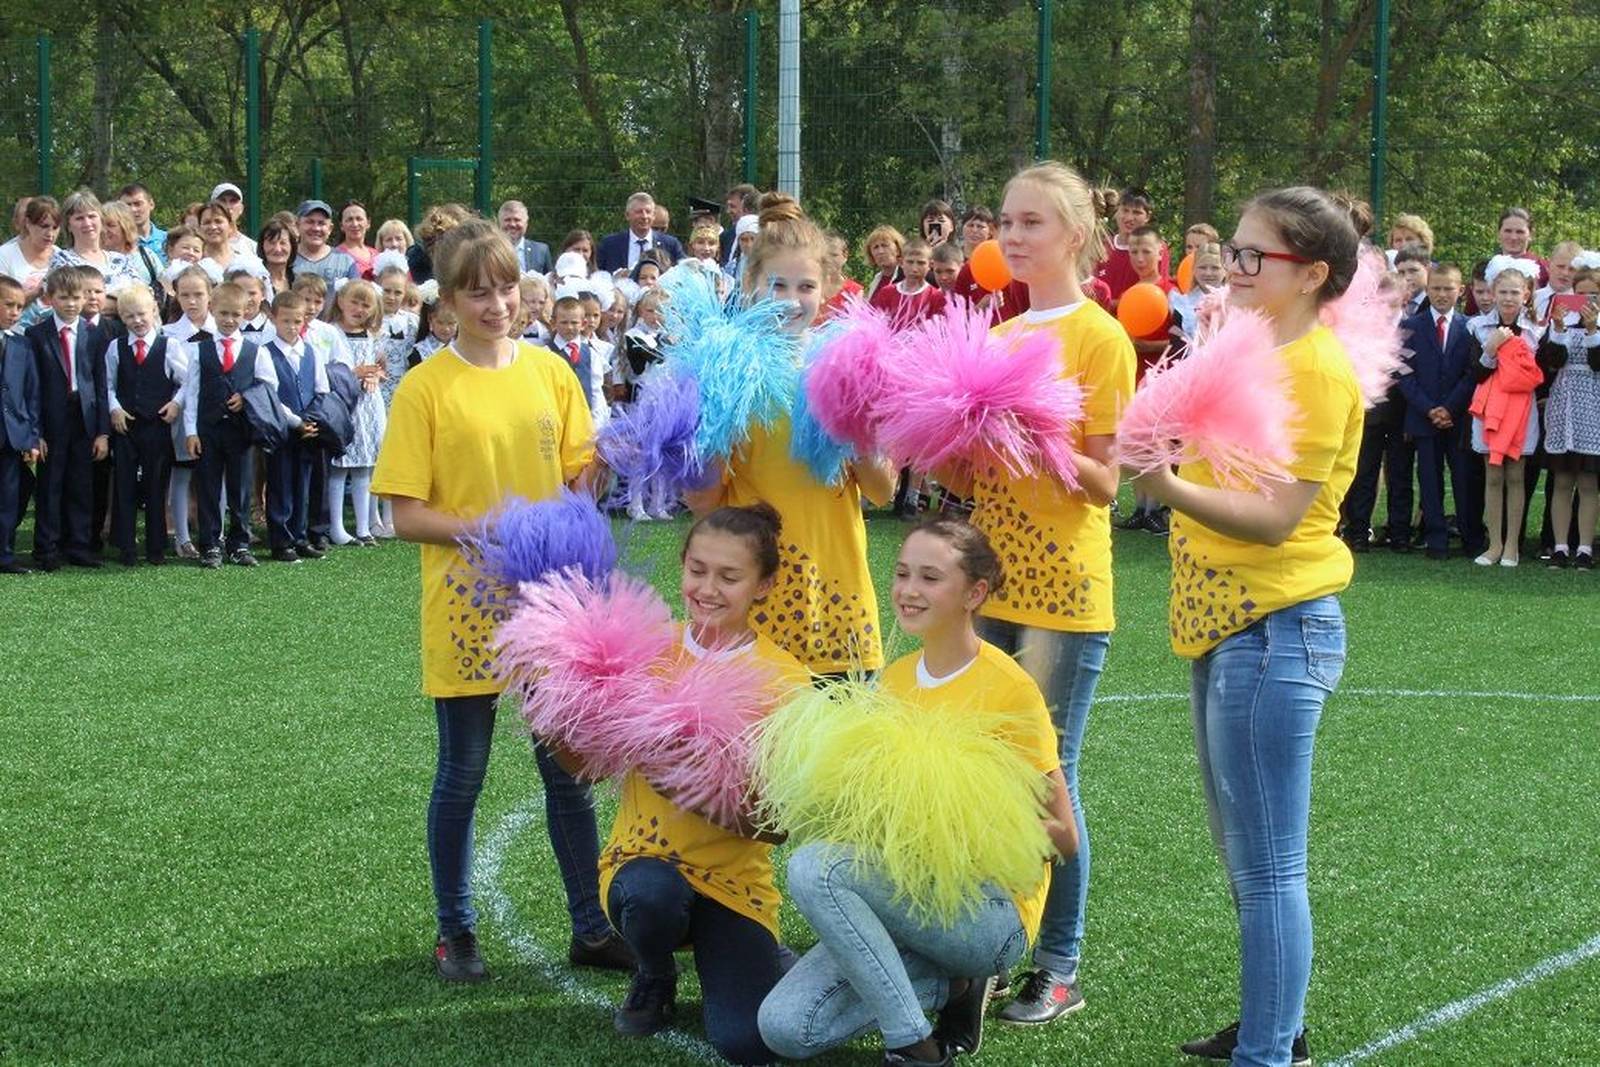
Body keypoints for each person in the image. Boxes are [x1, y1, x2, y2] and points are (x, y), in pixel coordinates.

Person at [1129, 186, 1364, 1067]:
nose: (1232, 266)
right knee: (1247, 859)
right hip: (1231, 624)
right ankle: (1275, 1027)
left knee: (1268, 868)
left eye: (1254, 255)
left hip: (1274, 629)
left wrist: (1163, 485)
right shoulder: (1257, 349)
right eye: (1232, 249)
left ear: (1312, 275)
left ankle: (1270, 1050)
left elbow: (1272, 519)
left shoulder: (1312, 367)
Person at [371, 217, 627, 984]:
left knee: (567, 772)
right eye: (477, 291)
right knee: (464, 771)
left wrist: (598, 476)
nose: (497, 303)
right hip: (466, 603)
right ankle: (456, 930)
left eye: (507, 286)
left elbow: (581, 474)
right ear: (447, 299)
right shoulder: (424, 385)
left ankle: (590, 925)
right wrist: (496, 529)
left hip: (553, 600)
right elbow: (405, 512)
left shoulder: (552, 371)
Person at [758, 519, 1078, 1067]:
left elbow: (1064, 840)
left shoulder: (1010, 690)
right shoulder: (892, 681)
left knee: (816, 869)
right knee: (784, 1028)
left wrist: (961, 816)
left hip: (986, 914)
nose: (908, 590)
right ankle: (953, 989)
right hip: (902, 896)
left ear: (973, 594)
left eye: (930, 578)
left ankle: (913, 1046)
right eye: (903, 573)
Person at [953, 161, 1131, 1026]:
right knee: (985, 772)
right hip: (986, 578)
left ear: (1074, 233)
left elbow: (1107, 483)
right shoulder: (995, 331)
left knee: (1047, 779)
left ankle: (1057, 963)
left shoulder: (1101, 338)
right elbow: (967, 472)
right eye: (1004, 223)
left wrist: (1033, 429)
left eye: (1029, 223)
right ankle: (990, 943)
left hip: (1063, 590)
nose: (1011, 237)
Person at [591, 504, 809, 1063]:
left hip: (735, 884)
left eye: (729, 577)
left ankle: (758, 954)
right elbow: (583, 766)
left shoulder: (786, 681)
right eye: (696, 569)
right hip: (644, 865)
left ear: (765, 585)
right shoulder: (643, 647)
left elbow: (779, 827)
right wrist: (556, 702)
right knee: (650, 898)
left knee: (748, 1044)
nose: (706, 589)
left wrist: (693, 785)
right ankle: (654, 971)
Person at [685, 195, 895, 679]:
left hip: (836, 594)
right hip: (752, 598)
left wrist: (851, 428)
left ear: (826, 291)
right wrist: (707, 427)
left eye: (805, 286)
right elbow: (703, 501)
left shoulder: (846, 370)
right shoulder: (727, 373)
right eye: (777, 285)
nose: (791, 300)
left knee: (839, 753)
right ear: (752, 286)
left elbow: (883, 493)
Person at [26, 265, 110, 570]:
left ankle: (79, 545)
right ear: (50, 299)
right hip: (52, 419)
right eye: (64, 297)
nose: (71, 303)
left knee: (81, 484)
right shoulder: (36, 334)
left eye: (77, 297)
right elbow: (32, 387)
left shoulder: (95, 333)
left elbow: (102, 384)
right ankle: (46, 549)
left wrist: (102, 431)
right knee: (50, 485)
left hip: (84, 418)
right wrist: (36, 432)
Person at [1399, 264, 1484, 560]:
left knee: (1464, 478)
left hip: (1458, 418)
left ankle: (1471, 536)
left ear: (1461, 291)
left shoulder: (1469, 327)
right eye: (1436, 288)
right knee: (1429, 478)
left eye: (1449, 288)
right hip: (1423, 417)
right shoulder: (1411, 326)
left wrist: (1450, 407)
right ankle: (1436, 539)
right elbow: (1404, 374)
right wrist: (1429, 408)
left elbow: (1472, 373)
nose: (1442, 294)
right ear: (1428, 290)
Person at [182, 280, 269, 569]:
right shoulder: (199, 350)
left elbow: (269, 386)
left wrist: (247, 397)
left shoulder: (256, 352)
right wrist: (191, 431)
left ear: (245, 313)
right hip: (208, 430)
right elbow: (191, 393)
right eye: (223, 314)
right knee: (208, 488)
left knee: (241, 489)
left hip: (241, 432)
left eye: (235, 314)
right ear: (212, 311)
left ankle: (240, 543)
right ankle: (210, 544)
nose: (229, 320)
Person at [1467, 256, 1543, 567]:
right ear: (1493, 293)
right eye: (1503, 292)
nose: (1509, 298)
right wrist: (1491, 349)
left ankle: (1513, 544)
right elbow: (1476, 374)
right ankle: (1494, 544)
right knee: (1493, 476)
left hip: (1522, 413)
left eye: (1515, 293)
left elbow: (1544, 371)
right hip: (1489, 413)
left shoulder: (1537, 330)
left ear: (1526, 295)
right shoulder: (1477, 326)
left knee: (1516, 476)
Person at [104, 283, 180, 566]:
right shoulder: (116, 348)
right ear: (122, 318)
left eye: (141, 314)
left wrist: (176, 403)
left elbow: (186, 382)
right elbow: (108, 384)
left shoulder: (168, 346)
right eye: (129, 316)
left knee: (155, 486)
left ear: (153, 311)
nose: (137, 321)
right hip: (126, 427)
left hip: (156, 427)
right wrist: (114, 409)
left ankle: (156, 548)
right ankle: (126, 548)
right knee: (123, 485)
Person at [1535, 264, 1600, 568]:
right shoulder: (1559, 322)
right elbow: (1551, 362)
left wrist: (1592, 330)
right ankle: (1560, 547)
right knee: (1562, 480)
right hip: (1564, 406)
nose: (1588, 300)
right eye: (1582, 294)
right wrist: (1559, 329)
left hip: (1593, 408)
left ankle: (1585, 548)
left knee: (1588, 483)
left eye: (1594, 294)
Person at [324, 279, 386, 546]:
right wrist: (354, 374)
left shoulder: (372, 336)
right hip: (344, 405)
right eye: (355, 302)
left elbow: (378, 365)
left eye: (365, 305)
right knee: (340, 467)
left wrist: (376, 375)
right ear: (340, 301)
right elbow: (327, 369)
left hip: (369, 406)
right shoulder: (331, 332)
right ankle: (337, 527)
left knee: (364, 467)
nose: (359, 309)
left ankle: (363, 527)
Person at [0, 279, 41, 574]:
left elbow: (31, 394)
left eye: (19, 306)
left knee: (11, 497)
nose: (15, 312)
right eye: (8, 305)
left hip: (12, 436)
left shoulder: (21, 344)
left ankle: (5, 554)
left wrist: (32, 437)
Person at [1095, 187, 1170, 307]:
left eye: (1137, 213)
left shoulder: (1157, 248)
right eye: (1125, 210)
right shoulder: (1101, 246)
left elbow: (1155, 293)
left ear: (1147, 216)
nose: (1129, 218)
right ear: (1116, 212)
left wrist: (1111, 304)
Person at [0, 196, 62, 327]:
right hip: (14, 336)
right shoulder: (5, 255)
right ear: (28, 223)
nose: (50, 234)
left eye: (55, 227)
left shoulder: (60, 256)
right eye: (44, 226)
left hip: (51, 336)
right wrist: (36, 292)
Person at [597, 192, 686, 274]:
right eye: (639, 212)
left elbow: (683, 272)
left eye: (648, 212)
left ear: (654, 215)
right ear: (627, 215)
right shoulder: (609, 245)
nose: (644, 216)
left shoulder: (671, 244)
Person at [292, 200, 361, 304]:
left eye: (321, 223)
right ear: (297, 225)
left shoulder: (346, 261)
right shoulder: (287, 258)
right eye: (310, 222)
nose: (316, 228)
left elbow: (357, 299)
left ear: (330, 228)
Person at [869, 237, 946, 323]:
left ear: (930, 265)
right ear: (901, 263)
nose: (914, 268)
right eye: (910, 262)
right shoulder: (886, 293)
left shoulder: (936, 297)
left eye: (921, 263)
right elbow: (876, 325)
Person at [198, 199, 267, 280]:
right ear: (199, 228)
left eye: (218, 221)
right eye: (207, 222)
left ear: (230, 226)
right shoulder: (194, 261)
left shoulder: (247, 262)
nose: (213, 227)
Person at [497, 199, 553, 275]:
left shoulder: (541, 251)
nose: (512, 224)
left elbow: (550, 284)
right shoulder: (490, 251)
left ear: (526, 224)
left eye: (517, 220)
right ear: (499, 223)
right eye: (507, 220)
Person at [118, 183, 167, 266]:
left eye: (138, 204)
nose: (133, 209)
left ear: (151, 204)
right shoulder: (118, 244)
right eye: (127, 205)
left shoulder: (168, 239)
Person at [208, 183, 258, 257]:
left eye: (233, 201)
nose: (228, 206)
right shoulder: (197, 245)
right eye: (222, 200)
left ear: (241, 209)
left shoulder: (253, 248)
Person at [258, 216, 298, 304]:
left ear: (292, 246)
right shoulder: (255, 280)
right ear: (262, 246)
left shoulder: (298, 281)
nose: (277, 249)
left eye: (283, 243)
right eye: (271, 243)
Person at [333, 201, 376, 279]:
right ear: (341, 226)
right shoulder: (335, 256)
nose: (355, 224)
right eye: (349, 220)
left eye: (359, 219)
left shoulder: (377, 255)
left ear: (368, 223)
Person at [861, 224, 904, 301]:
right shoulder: (876, 280)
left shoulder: (907, 276)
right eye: (875, 247)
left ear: (897, 249)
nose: (880, 251)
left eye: (885, 245)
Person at [1392, 244, 1432, 318]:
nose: (1407, 277)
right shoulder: (1390, 304)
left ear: (1428, 268)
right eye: (1401, 272)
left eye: (1413, 271)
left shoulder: (1436, 305)